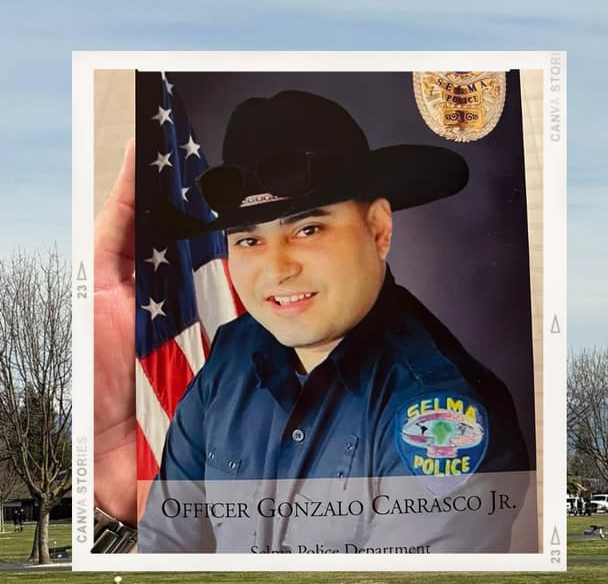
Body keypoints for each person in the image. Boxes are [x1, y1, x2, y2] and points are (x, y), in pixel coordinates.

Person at [94, 88, 533, 554]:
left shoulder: (443, 415)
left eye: (307, 230)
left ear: (379, 229)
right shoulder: (229, 358)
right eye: (247, 241)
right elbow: (168, 554)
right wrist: (110, 496)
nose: (277, 268)